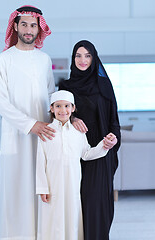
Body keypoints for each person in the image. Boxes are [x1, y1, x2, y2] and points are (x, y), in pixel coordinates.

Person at [0, 5, 55, 240]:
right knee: (16, 190)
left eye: (33, 25)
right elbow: (1, 102)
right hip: (15, 137)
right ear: (16, 26)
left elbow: (50, 96)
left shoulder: (44, 59)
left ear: (39, 29)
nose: (29, 30)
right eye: (25, 24)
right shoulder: (4, 60)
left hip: (44, 137)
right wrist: (31, 125)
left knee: (42, 188)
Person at [59, 40, 121, 240]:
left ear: (94, 58)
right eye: (78, 55)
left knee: (96, 204)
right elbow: (58, 114)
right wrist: (74, 118)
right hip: (73, 154)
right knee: (76, 205)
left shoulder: (104, 85)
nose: (83, 60)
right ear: (73, 58)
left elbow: (113, 120)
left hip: (100, 152)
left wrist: (113, 139)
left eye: (87, 55)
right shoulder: (66, 87)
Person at [36, 90, 117, 240]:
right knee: (52, 219)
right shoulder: (46, 132)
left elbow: (86, 154)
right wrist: (42, 188)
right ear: (52, 109)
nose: (63, 110)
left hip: (73, 185)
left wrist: (104, 145)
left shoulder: (78, 132)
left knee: (72, 217)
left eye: (67, 106)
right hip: (53, 186)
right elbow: (40, 161)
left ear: (73, 108)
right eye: (58, 106)